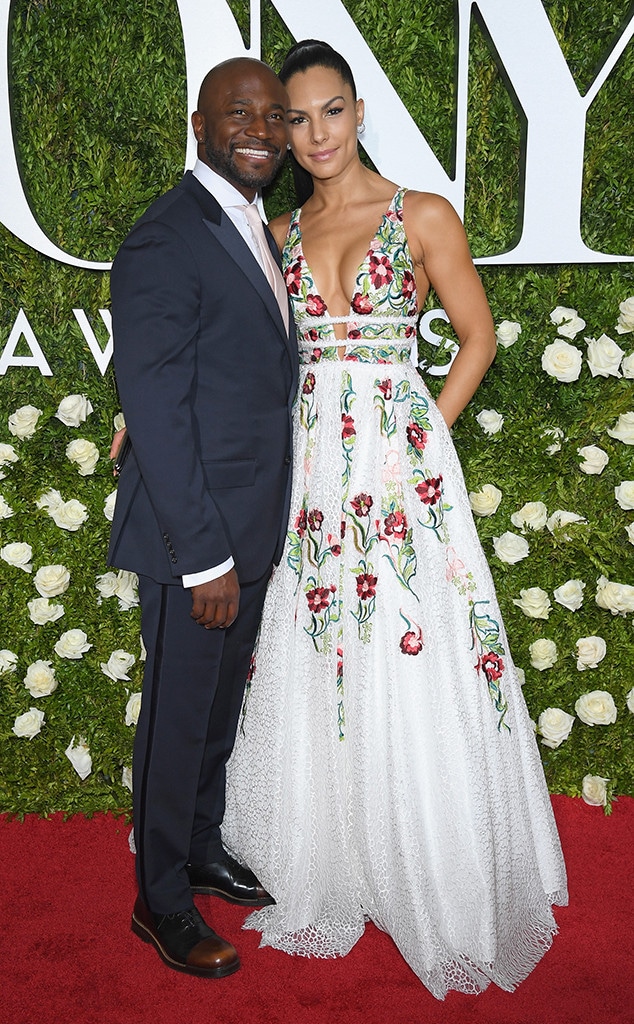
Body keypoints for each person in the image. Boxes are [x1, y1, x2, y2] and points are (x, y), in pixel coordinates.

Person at [222, 40, 568, 999]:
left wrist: (422, 444)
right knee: (320, 650)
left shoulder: (419, 215)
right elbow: (252, 356)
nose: (316, 134)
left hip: (399, 467)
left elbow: (477, 334)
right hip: (312, 474)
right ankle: (334, 852)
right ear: (281, 132)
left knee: (413, 648)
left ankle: (429, 854)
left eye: (331, 111)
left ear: (359, 109)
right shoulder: (278, 231)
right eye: (296, 119)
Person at [108, 57, 298, 978]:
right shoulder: (165, 237)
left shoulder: (253, 227)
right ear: (199, 124)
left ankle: (202, 844)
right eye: (239, 113)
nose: (260, 128)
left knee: (219, 711)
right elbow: (156, 409)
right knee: (178, 720)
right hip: (200, 541)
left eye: (274, 114)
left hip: (248, 527)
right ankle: (160, 901)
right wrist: (204, 558)